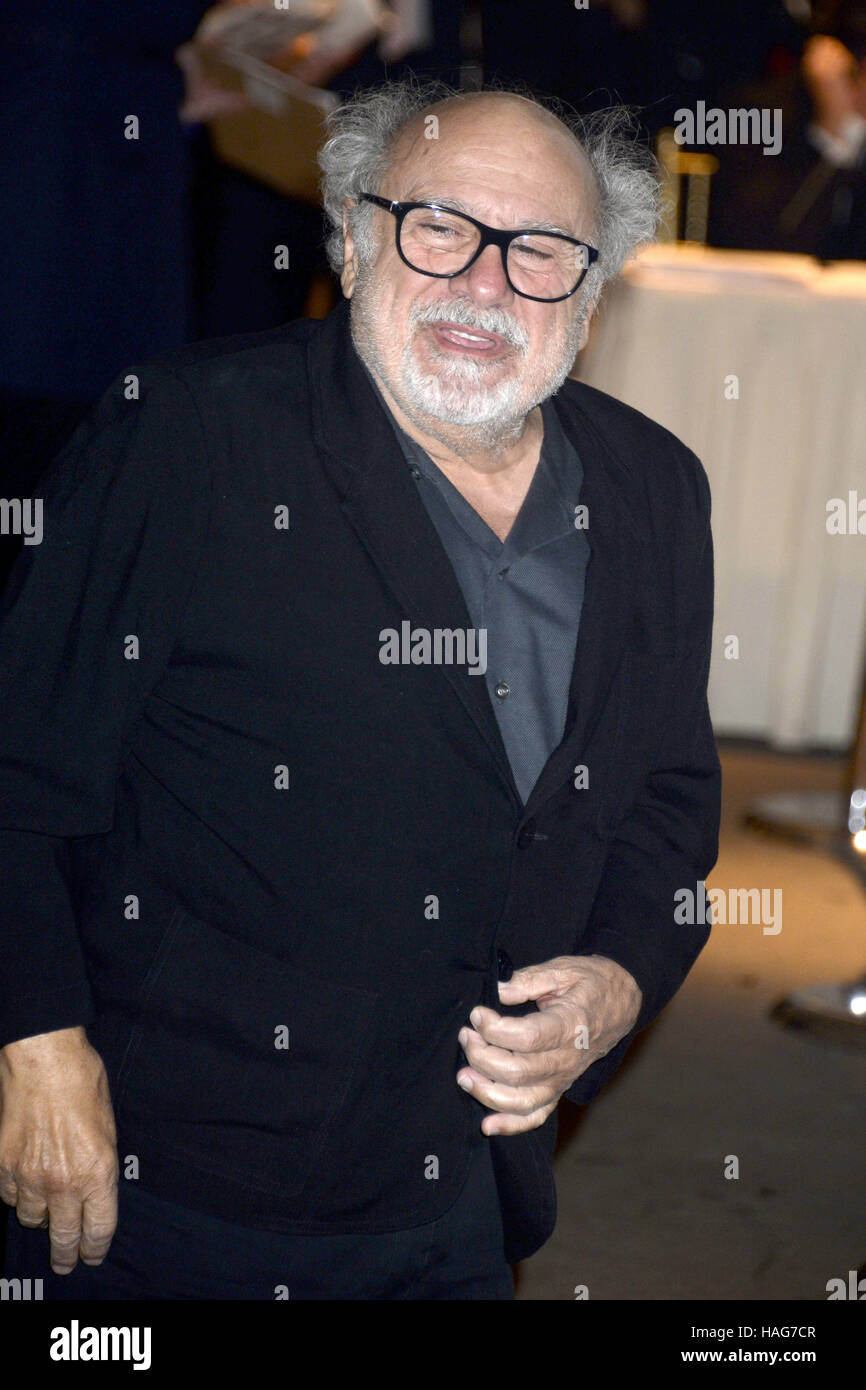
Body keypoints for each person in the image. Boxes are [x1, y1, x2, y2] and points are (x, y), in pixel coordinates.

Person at [0, 80, 721, 1301]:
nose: (484, 286)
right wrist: (34, 1044)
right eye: (437, 227)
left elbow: (664, 801)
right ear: (349, 233)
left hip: (462, 1200)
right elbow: (18, 767)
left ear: (591, 294)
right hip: (167, 1191)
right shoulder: (186, 438)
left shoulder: (653, 488)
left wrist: (618, 977)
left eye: (541, 250)